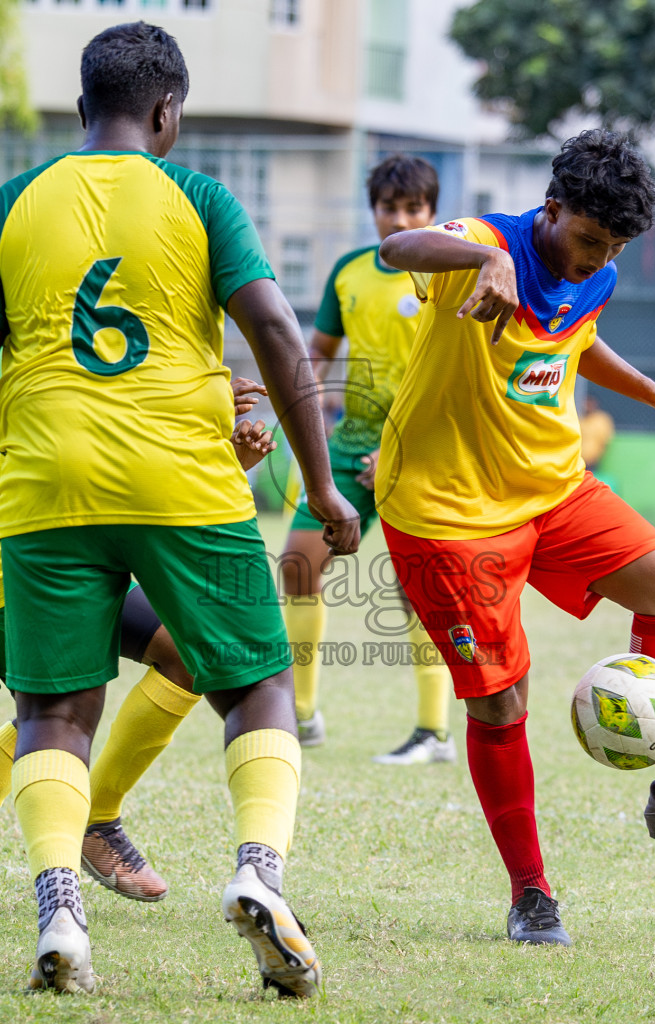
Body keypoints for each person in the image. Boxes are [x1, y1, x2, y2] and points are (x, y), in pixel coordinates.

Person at [0, 22, 358, 996]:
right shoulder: (202, 198)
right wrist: (324, 485)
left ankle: (60, 916)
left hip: (46, 483)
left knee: (54, 709)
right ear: (168, 112)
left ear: (85, 109)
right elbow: (278, 334)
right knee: (258, 682)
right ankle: (259, 870)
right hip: (185, 481)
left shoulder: (11, 204)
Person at [374, 129, 655, 947]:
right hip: (448, 515)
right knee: (498, 701)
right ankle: (531, 895)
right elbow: (393, 248)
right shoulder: (485, 244)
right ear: (551, 208)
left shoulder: (599, 271)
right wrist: (477, 263)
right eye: (589, 238)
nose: (599, 258)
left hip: (551, 490)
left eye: (616, 246)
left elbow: (575, 336)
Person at [0, 382, 278, 907]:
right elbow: (120, 471)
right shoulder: (100, 370)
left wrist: (221, 454)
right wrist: (200, 417)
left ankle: (90, 816)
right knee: (48, 720)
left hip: (57, 545)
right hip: (11, 556)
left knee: (180, 658)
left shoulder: (95, 362)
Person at [279, 153, 455, 764]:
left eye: (413, 208)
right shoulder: (350, 271)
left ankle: (433, 731)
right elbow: (318, 351)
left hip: (424, 449)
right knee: (299, 566)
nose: (400, 218)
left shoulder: (448, 272)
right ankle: (300, 715)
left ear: (433, 212)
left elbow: (458, 371)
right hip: (351, 447)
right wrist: (294, 406)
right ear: (373, 210)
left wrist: (401, 446)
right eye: (389, 208)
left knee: (417, 588)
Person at [579, 392, 615, 473]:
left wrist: (597, 457)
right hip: (578, 459)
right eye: (585, 403)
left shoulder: (601, 419)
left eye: (589, 403)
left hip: (593, 460)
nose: (586, 405)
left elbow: (605, 441)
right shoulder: (581, 419)